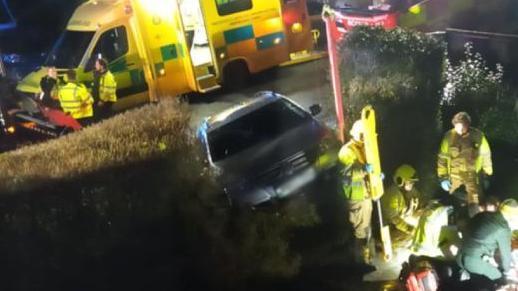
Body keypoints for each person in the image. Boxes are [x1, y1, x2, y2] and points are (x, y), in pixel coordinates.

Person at [437, 111, 493, 217]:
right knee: (455, 201)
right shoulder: (448, 137)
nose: (460, 130)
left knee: (475, 203)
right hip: (454, 177)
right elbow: (442, 159)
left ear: (468, 124)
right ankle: (457, 223)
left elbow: (486, 156)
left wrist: (487, 175)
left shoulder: (478, 136)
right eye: (457, 127)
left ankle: (475, 223)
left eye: (463, 127)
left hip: (472, 176)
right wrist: (443, 177)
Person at [456, 199, 518, 286]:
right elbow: (506, 256)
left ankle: (466, 273)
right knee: (499, 277)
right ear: (512, 217)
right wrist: (507, 270)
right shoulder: (503, 229)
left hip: (459, 254)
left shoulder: (483, 214)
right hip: (473, 262)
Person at [338, 119, 373, 264]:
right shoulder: (346, 151)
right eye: (364, 135)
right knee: (359, 232)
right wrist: (364, 170)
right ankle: (359, 263)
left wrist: (375, 175)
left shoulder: (363, 148)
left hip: (366, 195)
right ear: (358, 134)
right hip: (356, 196)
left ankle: (367, 260)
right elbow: (345, 174)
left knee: (366, 229)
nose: (366, 138)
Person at [381, 164, 420, 247]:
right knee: (412, 238)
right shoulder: (392, 195)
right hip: (390, 229)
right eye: (410, 182)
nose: (412, 184)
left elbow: (418, 198)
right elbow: (393, 218)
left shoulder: (409, 191)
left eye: (413, 182)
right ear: (400, 180)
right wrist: (409, 229)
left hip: (401, 223)